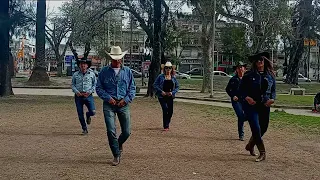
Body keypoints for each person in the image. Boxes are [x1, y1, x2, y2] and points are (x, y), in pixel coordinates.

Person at [96, 46, 136, 166]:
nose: (117, 61)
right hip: (109, 104)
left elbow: (132, 88)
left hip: (123, 103)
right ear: (110, 59)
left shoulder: (128, 71)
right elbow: (98, 88)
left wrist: (127, 99)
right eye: (114, 59)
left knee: (127, 131)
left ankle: (118, 143)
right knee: (110, 130)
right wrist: (108, 98)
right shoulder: (104, 72)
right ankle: (116, 154)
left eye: (119, 59)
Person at [240, 52, 276, 162]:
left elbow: (273, 91)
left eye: (261, 60)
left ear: (265, 61)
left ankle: (250, 145)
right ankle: (262, 152)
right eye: (257, 60)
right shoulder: (249, 75)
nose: (260, 62)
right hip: (251, 105)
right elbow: (241, 90)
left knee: (263, 128)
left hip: (264, 105)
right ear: (255, 63)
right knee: (256, 127)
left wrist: (272, 99)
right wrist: (247, 98)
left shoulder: (270, 75)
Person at [71, 58, 97, 135]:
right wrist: (76, 92)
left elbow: (95, 84)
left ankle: (88, 115)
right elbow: (73, 84)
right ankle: (84, 129)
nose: (83, 65)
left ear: (87, 65)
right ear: (79, 65)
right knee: (80, 113)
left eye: (84, 64)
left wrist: (89, 92)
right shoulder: (75, 74)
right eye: (81, 64)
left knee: (93, 111)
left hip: (88, 95)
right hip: (78, 96)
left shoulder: (92, 74)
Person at [153, 62, 179, 131]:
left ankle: (167, 122)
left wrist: (172, 92)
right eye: (166, 68)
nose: (168, 69)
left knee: (170, 111)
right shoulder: (160, 76)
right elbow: (155, 85)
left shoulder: (173, 78)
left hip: (170, 96)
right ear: (164, 69)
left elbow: (177, 87)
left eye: (169, 68)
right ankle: (166, 126)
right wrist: (161, 91)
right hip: (162, 96)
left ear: (171, 69)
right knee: (165, 109)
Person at [225, 61, 247, 141]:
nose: (240, 69)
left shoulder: (247, 79)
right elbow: (227, 89)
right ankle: (241, 134)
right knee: (240, 116)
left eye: (242, 67)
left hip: (245, 100)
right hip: (236, 101)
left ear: (244, 69)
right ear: (236, 70)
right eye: (239, 68)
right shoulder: (233, 79)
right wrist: (232, 95)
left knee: (248, 116)